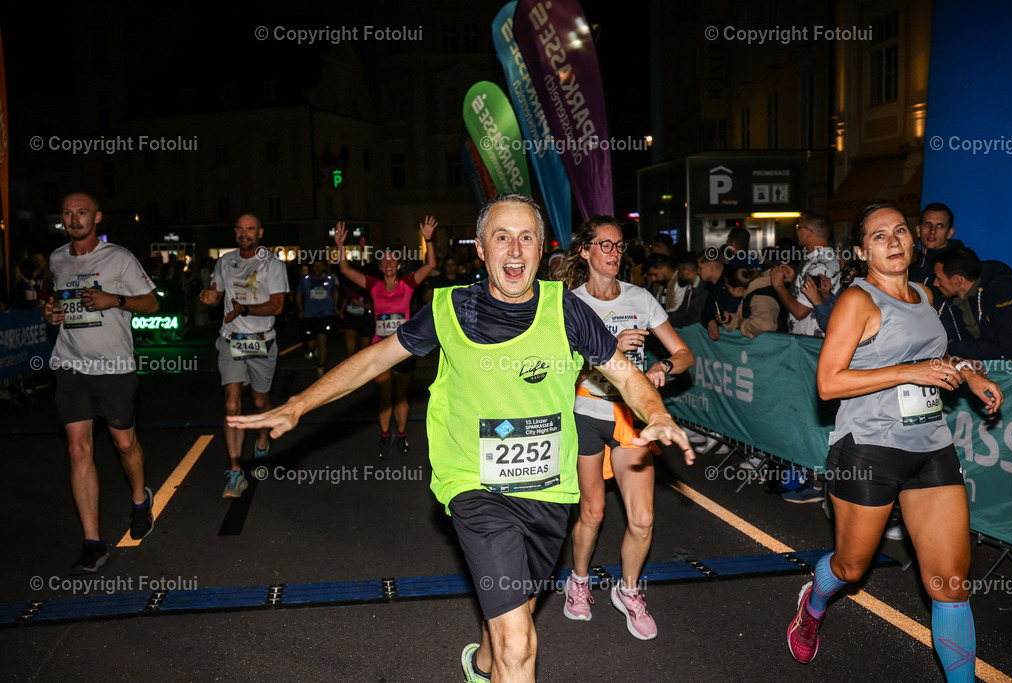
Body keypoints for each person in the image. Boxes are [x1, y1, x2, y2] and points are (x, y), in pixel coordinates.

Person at [226, 193, 696, 683]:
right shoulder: (449, 309)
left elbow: (623, 375)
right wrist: (298, 404)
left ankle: (480, 666)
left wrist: (655, 412)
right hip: (475, 486)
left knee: (510, 634)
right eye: (501, 238)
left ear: (540, 250)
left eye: (526, 238)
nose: (514, 251)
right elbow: (374, 361)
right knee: (519, 643)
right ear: (482, 251)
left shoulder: (568, 311)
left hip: (549, 494)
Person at [787, 199, 1003, 682]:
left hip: (930, 446)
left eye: (900, 231)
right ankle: (814, 602)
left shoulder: (926, 296)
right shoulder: (857, 301)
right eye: (879, 236)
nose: (894, 241)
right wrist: (911, 371)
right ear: (863, 252)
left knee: (950, 584)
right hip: (867, 449)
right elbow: (829, 383)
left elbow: (939, 355)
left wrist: (968, 376)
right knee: (851, 567)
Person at [559, 215, 695, 640]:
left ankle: (629, 590)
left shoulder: (641, 298)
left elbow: (685, 353)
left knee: (642, 519)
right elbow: (559, 368)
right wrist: (609, 349)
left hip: (629, 420)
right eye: (604, 245)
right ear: (585, 251)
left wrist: (662, 367)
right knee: (593, 513)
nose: (614, 253)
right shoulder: (571, 304)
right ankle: (578, 582)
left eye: (619, 246)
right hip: (586, 413)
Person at [43, 192, 158, 572]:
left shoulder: (119, 257)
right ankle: (92, 542)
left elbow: (151, 303)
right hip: (71, 366)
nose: (74, 219)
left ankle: (140, 500)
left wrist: (115, 300)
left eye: (82, 213)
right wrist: (53, 313)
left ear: (98, 217)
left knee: (124, 444)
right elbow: (61, 302)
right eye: (68, 213)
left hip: (115, 367)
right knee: (78, 451)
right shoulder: (57, 259)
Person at [198, 213, 289, 498]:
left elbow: (277, 306)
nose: (244, 233)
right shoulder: (224, 262)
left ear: (260, 232)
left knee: (261, 400)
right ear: (235, 232)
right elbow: (216, 294)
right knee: (233, 404)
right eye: (240, 228)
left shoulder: (272, 264)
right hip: (231, 340)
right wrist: (211, 298)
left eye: (250, 229)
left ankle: (263, 438)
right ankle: (236, 472)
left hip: (262, 341)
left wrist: (245, 310)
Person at [334, 216, 437, 457]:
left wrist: (428, 238)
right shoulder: (373, 285)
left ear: (399, 265)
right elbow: (345, 269)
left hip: (403, 346)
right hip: (380, 347)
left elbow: (430, 264)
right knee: (383, 395)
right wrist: (340, 245)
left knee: (400, 396)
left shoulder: (408, 284)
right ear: (380, 267)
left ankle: (401, 435)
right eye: (385, 261)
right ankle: (384, 434)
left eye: (393, 260)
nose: (389, 263)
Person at [932, 247, 1012, 361]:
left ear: (957, 280)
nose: (935, 283)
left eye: (939, 279)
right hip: (990, 369)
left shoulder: (1004, 290)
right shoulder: (953, 302)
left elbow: (1009, 348)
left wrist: (954, 348)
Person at [772, 211, 841, 339]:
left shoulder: (818, 266)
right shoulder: (828, 258)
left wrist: (779, 286)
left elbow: (800, 311)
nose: (797, 231)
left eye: (799, 227)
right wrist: (795, 279)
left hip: (809, 342)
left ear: (808, 232)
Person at [716, 265, 790, 339]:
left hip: (775, 344)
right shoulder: (751, 294)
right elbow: (740, 318)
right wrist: (729, 320)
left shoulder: (760, 298)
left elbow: (764, 325)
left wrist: (743, 325)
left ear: (738, 289)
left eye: (728, 288)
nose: (728, 291)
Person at [295, 260, 340, 376]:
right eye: (316, 266)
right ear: (312, 267)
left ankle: (321, 365)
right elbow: (299, 295)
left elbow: (335, 292)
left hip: (325, 314)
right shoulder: (305, 280)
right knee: (311, 344)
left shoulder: (330, 279)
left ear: (324, 267)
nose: (318, 268)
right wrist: (300, 310)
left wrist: (335, 305)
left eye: (320, 266)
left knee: (322, 340)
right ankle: (313, 349)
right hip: (310, 315)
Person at [908, 202, 964, 293]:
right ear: (918, 230)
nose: (932, 231)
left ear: (950, 233)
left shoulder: (960, 268)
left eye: (940, 226)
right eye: (927, 225)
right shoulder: (909, 271)